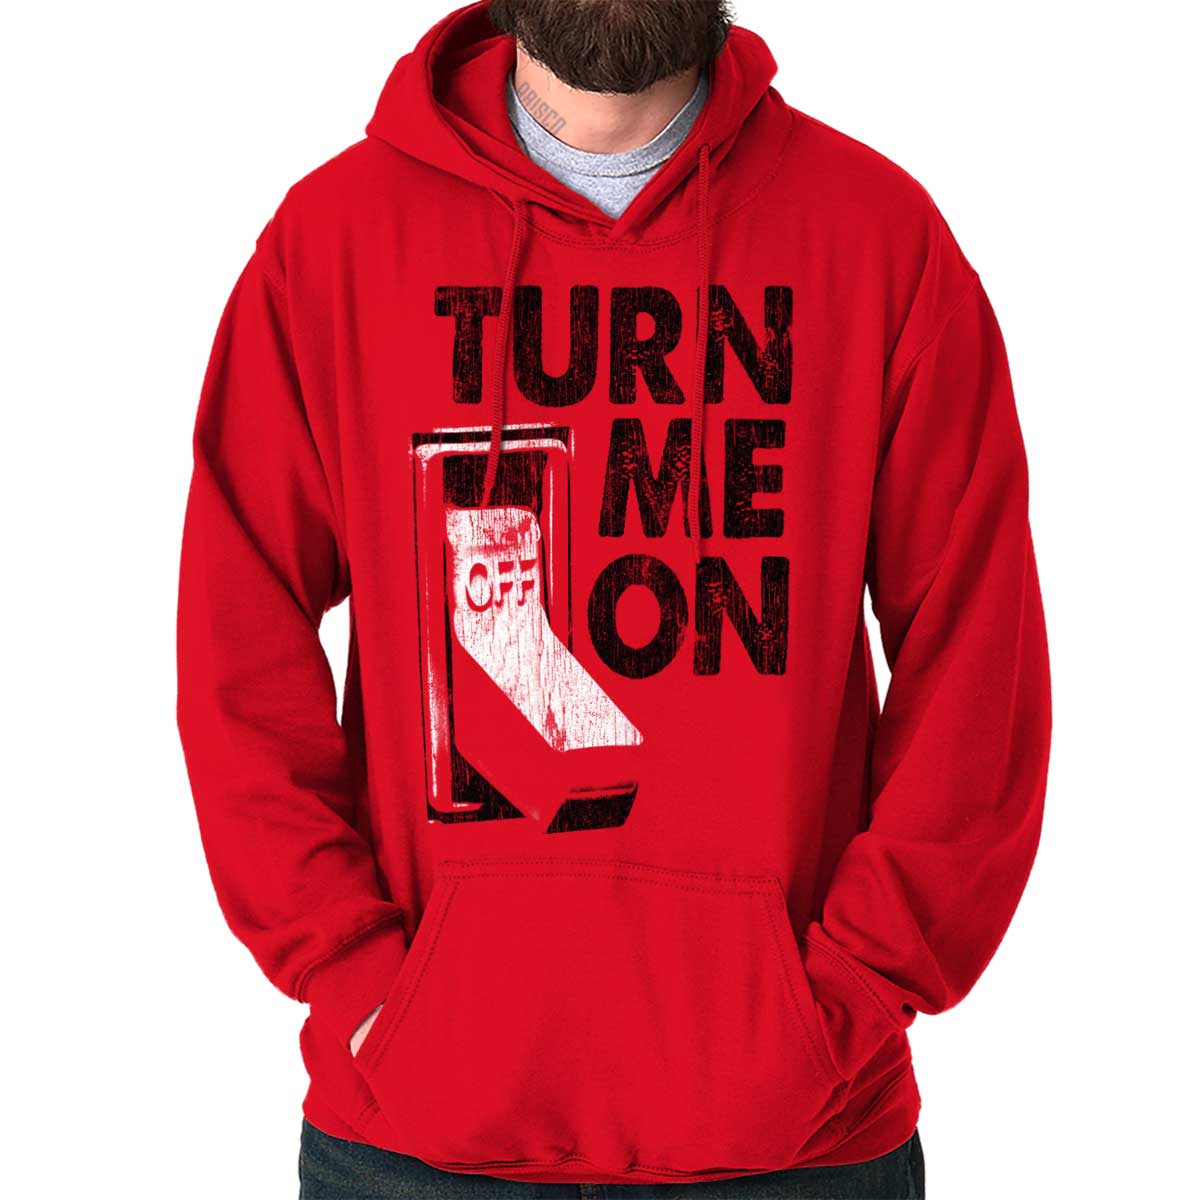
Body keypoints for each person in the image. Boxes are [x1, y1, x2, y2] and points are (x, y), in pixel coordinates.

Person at [176, 1, 1051, 1196]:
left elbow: (979, 665)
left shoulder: (876, 239)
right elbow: (237, 647)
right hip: (415, 1138)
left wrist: (848, 999)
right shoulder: (335, 241)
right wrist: (357, 978)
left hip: (798, 1144)